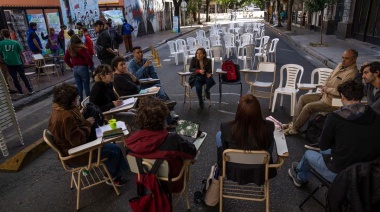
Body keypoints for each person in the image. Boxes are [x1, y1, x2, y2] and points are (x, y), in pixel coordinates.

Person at [288, 80, 380, 187]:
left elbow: (323, 145)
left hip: (342, 174)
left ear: (342, 96)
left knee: (309, 154)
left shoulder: (335, 117)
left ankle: (300, 177)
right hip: (368, 172)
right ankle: (299, 169)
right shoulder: (376, 115)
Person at [48, 83, 128, 187]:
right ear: (69, 101)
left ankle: (117, 171)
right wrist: (87, 124)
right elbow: (77, 139)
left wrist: (83, 118)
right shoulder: (66, 117)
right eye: (75, 99)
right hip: (76, 155)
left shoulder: (59, 110)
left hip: (72, 149)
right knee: (114, 150)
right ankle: (113, 177)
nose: (77, 100)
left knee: (107, 142)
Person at [125, 97, 197, 192]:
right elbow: (192, 153)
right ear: (163, 116)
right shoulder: (172, 140)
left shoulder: (131, 140)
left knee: (183, 130)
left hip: (146, 183)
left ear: (139, 118)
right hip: (172, 183)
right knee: (193, 133)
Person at [284, 49, 359, 135]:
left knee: (309, 107)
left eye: (347, 58)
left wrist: (327, 89)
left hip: (333, 101)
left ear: (354, 59)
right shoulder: (340, 65)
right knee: (303, 98)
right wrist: (324, 86)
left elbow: (343, 91)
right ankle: (294, 123)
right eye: (342, 57)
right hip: (325, 95)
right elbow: (330, 77)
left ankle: (295, 129)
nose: (343, 60)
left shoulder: (352, 73)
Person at [215, 94, 276, 185]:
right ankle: (266, 161)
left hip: (234, 167)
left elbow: (224, 145)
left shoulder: (226, 127)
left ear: (239, 111)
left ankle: (221, 165)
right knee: (272, 139)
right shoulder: (269, 126)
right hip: (259, 167)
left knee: (219, 135)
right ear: (258, 111)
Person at [112, 56, 178, 123]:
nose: (124, 66)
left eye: (124, 64)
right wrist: (140, 89)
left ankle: (167, 105)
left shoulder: (125, 74)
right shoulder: (118, 78)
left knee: (157, 87)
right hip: (134, 99)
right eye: (121, 65)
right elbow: (135, 87)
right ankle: (168, 111)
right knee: (158, 101)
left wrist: (129, 73)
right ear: (115, 67)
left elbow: (137, 82)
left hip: (138, 94)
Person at [128, 46, 178, 118]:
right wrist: (144, 67)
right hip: (141, 87)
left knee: (162, 94)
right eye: (138, 53)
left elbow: (153, 74)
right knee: (156, 99)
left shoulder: (146, 61)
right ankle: (167, 112)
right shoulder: (131, 64)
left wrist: (158, 84)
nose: (140, 54)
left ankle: (170, 110)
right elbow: (135, 77)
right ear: (134, 54)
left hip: (150, 84)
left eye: (141, 52)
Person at [0, 29, 35, 96]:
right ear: (9, 34)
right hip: (18, 62)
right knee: (23, 76)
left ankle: (21, 92)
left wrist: (2, 59)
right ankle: (30, 90)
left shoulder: (1, 43)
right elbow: (21, 53)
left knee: (14, 78)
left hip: (9, 63)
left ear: (2, 35)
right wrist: (24, 61)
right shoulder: (16, 43)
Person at [64, 35, 94, 103]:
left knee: (79, 86)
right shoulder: (82, 48)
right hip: (83, 67)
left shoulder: (70, 49)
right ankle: (88, 102)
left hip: (75, 69)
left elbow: (66, 59)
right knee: (86, 85)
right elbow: (88, 58)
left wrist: (71, 65)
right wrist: (91, 65)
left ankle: (80, 102)